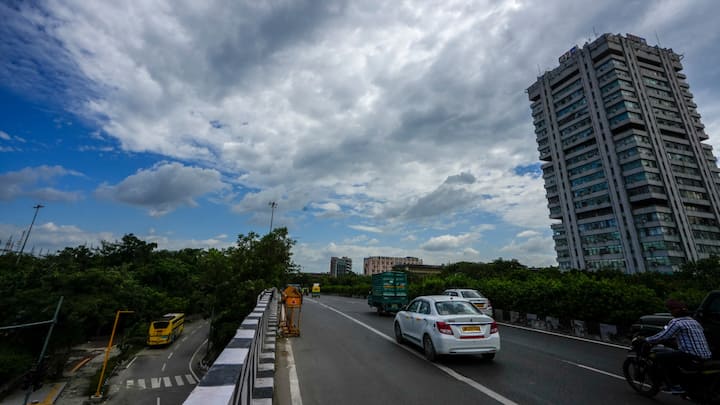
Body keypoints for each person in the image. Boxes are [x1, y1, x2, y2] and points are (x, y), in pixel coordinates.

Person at [644, 298, 713, 394]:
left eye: (670, 309)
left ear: (674, 311)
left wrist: (646, 340)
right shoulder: (694, 321)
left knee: (658, 357)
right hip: (705, 355)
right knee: (673, 353)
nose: (670, 312)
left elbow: (663, 336)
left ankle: (675, 385)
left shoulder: (676, 322)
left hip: (690, 355)